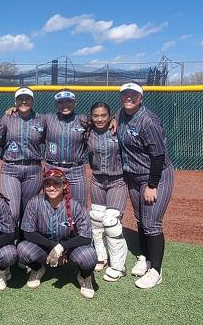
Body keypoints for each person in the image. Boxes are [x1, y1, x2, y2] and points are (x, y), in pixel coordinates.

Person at [117, 82, 174, 289]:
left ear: (141, 98)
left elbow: (158, 156)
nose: (129, 97)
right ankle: (145, 257)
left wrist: (152, 185)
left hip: (155, 176)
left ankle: (156, 271)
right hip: (134, 176)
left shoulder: (148, 121)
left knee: (152, 223)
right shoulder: (121, 114)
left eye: (134, 94)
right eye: (125, 94)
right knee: (141, 220)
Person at [17, 169, 97, 299]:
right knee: (22, 250)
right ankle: (37, 268)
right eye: (47, 184)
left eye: (56, 184)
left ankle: (84, 276)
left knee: (89, 257)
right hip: (45, 247)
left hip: (71, 249)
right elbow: (28, 233)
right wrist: (54, 246)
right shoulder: (35, 202)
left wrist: (63, 247)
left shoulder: (76, 206)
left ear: (64, 185)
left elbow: (86, 237)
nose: (51, 187)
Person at [87, 102, 128, 282]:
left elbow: (126, 115)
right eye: (96, 116)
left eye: (103, 115)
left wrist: (117, 119)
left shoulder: (118, 129)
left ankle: (119, 266)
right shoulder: (88, 132)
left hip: (117, 180)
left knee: (111, 222)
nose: (100, 119)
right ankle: (101, 256)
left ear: (110, 115)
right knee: (96, 220)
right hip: (97, 180)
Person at [0, 87, 46, 225]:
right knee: (12, 211)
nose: (24, 101)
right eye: (20, 99)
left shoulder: (41, 119)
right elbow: (0, 139)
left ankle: (22, 241)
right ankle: (8, 240)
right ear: (15, 101)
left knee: (27, 212)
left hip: (33, 170)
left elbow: (46, 138)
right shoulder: (7, 118)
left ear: (32, 101)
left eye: (27, 99)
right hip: (11, 168)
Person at [43, 89, 88, 207]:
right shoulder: (47, 119)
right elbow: (30, 118)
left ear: (75, 103)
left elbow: (102, 121)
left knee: (80, 206)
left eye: (68, 101)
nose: (65, 105)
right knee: (52, 205)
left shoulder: (83, 119)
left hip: (76, 170)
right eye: (61, 102)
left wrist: (113, 119)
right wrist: (14, 109)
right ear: (56, 104)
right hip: (53, 167)